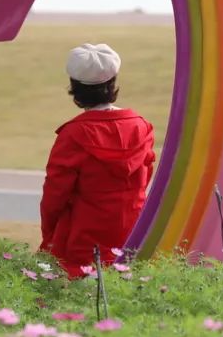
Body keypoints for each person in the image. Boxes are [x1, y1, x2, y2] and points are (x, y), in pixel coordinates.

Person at [39, 43, 156, 278]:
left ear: (75, 88)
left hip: (83, 237)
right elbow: (145, 179)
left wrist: (49, 234)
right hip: (132, 233)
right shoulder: (141, 126)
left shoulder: (73, 134)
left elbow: (55, 195)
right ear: (112, 83)